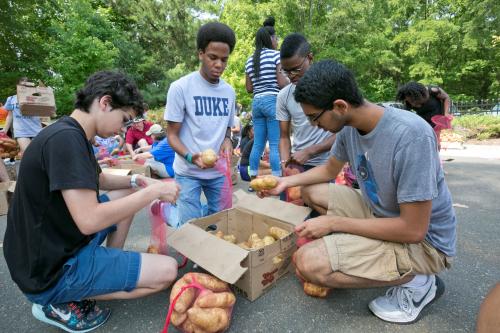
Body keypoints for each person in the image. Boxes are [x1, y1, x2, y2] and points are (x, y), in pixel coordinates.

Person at [260, 60, 457, 324]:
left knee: (309, 262)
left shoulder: (411, 136)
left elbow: (413, 230)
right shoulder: (349, 128)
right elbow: (329, 170)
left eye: (314, 117)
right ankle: (366, 249)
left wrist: (333, 223)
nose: (313, 125)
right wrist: (285, 183)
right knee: (310, 190)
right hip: (383, 213)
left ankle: (420, 280)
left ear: (340, 106)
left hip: (424, 244)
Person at [3, 71, 180, 332]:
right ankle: (58, 300)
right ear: (105, 103)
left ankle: (105, 270)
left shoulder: (71, 133)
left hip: (51, 246)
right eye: (124, 120)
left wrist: (138, 183)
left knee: (128, 193)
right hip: (49, 271)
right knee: (168, 271)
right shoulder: (65, 140)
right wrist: (152, 193)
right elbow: (89, 221)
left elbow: (99, 180)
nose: (123, 129)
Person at [165, 22, 236, 225]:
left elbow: (227, 127)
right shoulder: (180, 88)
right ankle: (168, 212)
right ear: (200, 54)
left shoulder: (229, 91)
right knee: (189, 228)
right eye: (213, 57)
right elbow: (172, 135)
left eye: (224, 60)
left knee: (223, 223)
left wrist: (228, 140)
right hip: (188, 172)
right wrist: (190, 156)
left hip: (218, 172)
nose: (219, 65)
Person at [277, 33, 335, 173]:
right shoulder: (284, 95)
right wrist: (285, 165)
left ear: (310, 58)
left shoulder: (331, 88)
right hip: (296, 163)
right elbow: (284, 136)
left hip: (325, 166)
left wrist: (310, 151)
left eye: (296, 69)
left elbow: (344, 132)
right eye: (286, 71)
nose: (291, 75)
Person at [245, 17, 288, 178]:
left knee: (258, 144)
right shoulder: (276, 56)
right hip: (272, 101)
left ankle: (253, 178)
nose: (277, 41)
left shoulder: (250, 60)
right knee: (275, 144)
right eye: (276, 38)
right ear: (270, 39)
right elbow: (282, 82)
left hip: (256, 103)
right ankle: (277, 178)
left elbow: (249, 88)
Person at [4, 77, 43, 156]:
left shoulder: (36, 99)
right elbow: (10, 116)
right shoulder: (11, 99)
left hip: (36, 130)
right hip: (21, 132)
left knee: (38, 154)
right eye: (22, 85)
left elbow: (44, 115)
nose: (24, 87)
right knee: (27, 154)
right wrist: (4, 131)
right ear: (17, 86)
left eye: (27, 85)